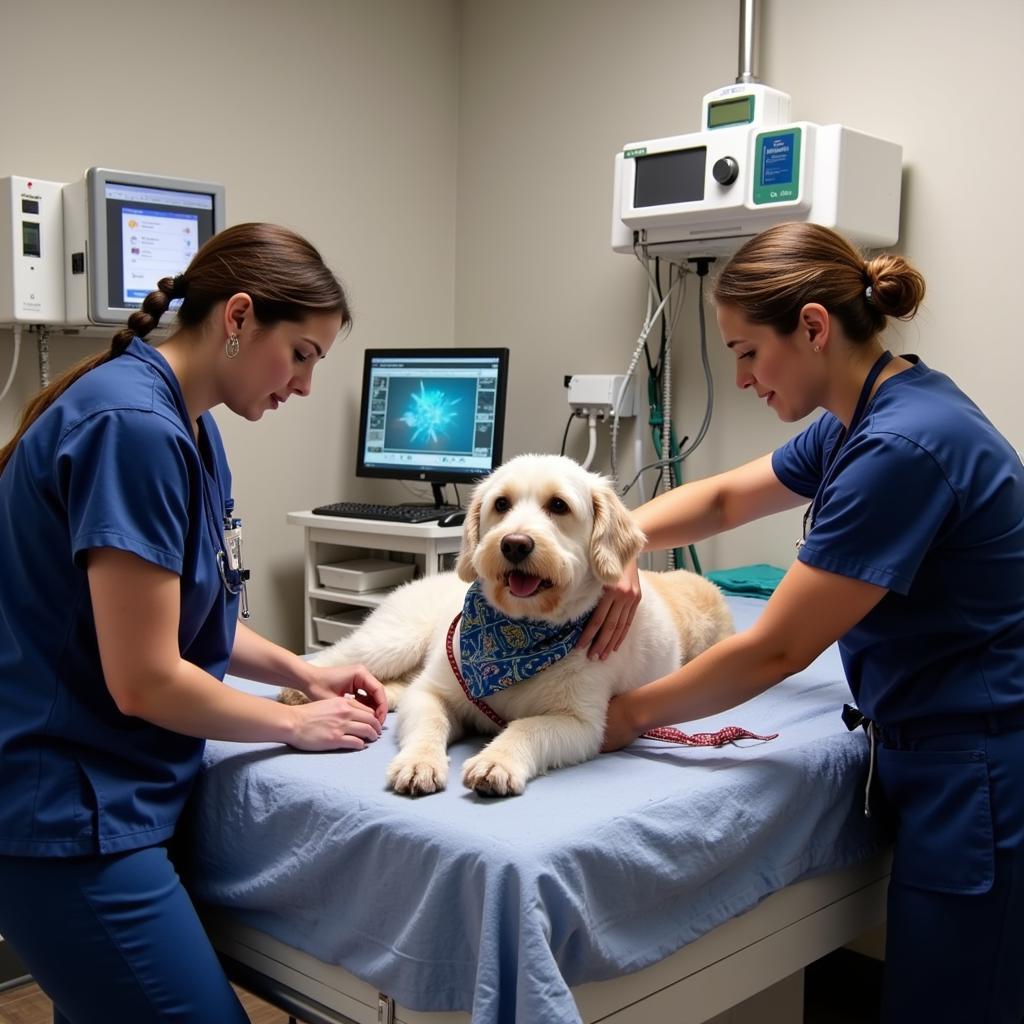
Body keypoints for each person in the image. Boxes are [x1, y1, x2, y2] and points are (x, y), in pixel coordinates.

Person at [579, 221, 1024, 1023]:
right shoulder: (869, 411)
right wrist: (618, 545)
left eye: (748, 351)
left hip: (980, 769)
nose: (743, 377)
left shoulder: (901, 448)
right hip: (939, 750)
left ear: (814, 327)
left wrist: (626, 716)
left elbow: (778, 648)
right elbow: (722, 499)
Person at [0, 223, 389, 1023]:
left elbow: (185, 624)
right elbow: (144, 678)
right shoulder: (133, 429)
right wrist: (296, 727)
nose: (307, 386)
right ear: (239, 317)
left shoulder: (188, 426)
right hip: (68, 814)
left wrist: (303, 673)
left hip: (118, 792)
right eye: (304, 355)